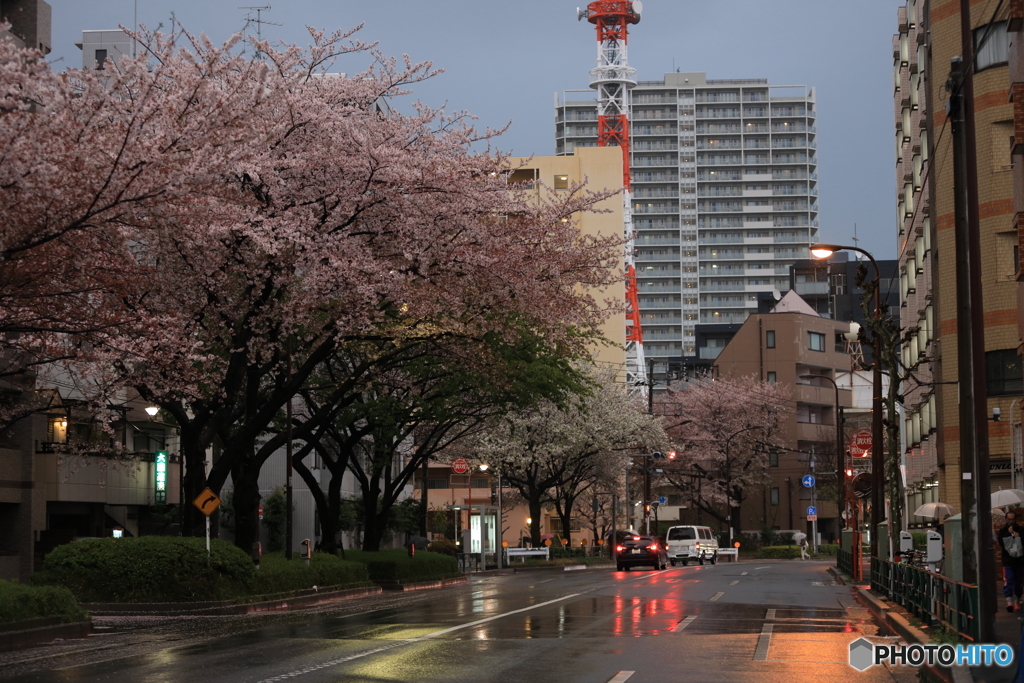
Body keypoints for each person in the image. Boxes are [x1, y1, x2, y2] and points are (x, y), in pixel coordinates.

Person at [998, 511, 1024, 612]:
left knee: (1018, 582)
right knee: (1008, 580)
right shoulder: (1003, 531)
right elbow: (1001, 543)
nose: (1011, 521)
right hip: (1007, 560)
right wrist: (1009, 534)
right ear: (1006, 519)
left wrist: (1018, 537)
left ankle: (1016, 600)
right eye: (1009, 519)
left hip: (1019, 560)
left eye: (1013, 519)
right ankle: (1009, 601)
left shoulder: (1020, 529)